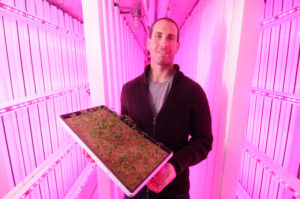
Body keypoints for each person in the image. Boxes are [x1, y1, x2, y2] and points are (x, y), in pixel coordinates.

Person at [121, 18, 213, 199]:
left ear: (177, 46)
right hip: (135, 188)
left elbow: (203, 141)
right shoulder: (129, 90)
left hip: (174, 191)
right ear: (148, 42)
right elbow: (124, 135)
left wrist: (173, 166)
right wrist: (98, 147)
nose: (164, 43)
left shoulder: (193, 92)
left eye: (170, 38)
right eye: (158, 36)